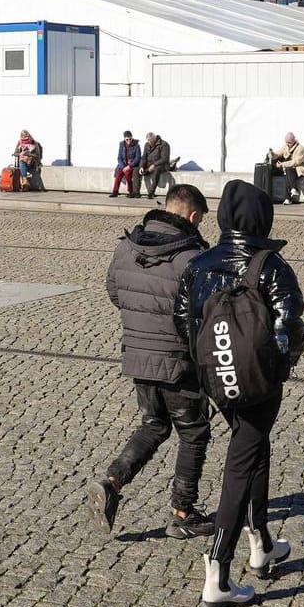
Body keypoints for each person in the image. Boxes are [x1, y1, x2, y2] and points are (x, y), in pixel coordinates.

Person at [174, 180, 304, 607]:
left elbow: (184, 322)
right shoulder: (271, 264)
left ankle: (261, 543)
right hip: (258, 383)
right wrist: (276, 370)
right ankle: (218, 572)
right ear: (261, 218)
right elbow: (290, 327)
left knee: (253, 450)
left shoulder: (199, 263)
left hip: (217, 377)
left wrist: (210, 368)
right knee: (241, 462)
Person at [90, 184, 216, 540]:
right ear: (193, 216)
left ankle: (112, 480)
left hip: (137, 354)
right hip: (177, 361)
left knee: (155, 424)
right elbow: (201, 312)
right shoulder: (191, 256)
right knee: (193, 432)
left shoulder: (126, 247)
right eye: (201, 219)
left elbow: (115, 291)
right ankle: (182, 512)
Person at [268, 133, 304, 205]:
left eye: (289, 143)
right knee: (287, 175)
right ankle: (293, 190)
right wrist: (272, 154)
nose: (287, 144)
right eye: (286, 142)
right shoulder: (285, 146)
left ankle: (289, 196)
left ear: (294, 141)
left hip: (299, 168)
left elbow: (295, 162)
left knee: (288, 170)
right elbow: (278, 153)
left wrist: (282, 164)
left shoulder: (300, 148)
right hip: (290, 169)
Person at [140, 132, 174, 199]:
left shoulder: (164, 144)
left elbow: (165, 158)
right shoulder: (146, 145)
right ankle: (135, 192)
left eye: (150, 140)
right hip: (150, 164)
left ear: (154, 139)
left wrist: (154, 165)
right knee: (138, 170)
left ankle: (151, 192)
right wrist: (141, 166)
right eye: (148, 140)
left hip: (162, 165)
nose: (149, 142)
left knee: (156, 169)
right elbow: (144, 157)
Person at [110, 131, 142, 198]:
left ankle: (131, 191)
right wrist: (123, 166)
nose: (129, 141)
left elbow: (138, 158)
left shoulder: (136, 145)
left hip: (132, 165)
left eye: (130, 139)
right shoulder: (122, 145)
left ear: (132, 138)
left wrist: (129, 166)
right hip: (123, 165)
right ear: (124, 139)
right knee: (118, 174)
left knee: (127, 173)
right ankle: (115, 192)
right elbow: (119, 157)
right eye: (127, 139)